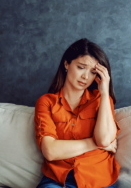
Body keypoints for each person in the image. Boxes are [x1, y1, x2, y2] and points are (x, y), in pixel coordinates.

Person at [34, 38, 120, 188]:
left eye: (93, 72)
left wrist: (105, 92)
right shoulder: (46, 102)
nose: (86, 77)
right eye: (81, 67)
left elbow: (105, 140)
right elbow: (50, 151)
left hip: (97, 179)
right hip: (58, 180)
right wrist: (95, 144)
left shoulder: (101, 100)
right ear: (66, 64)